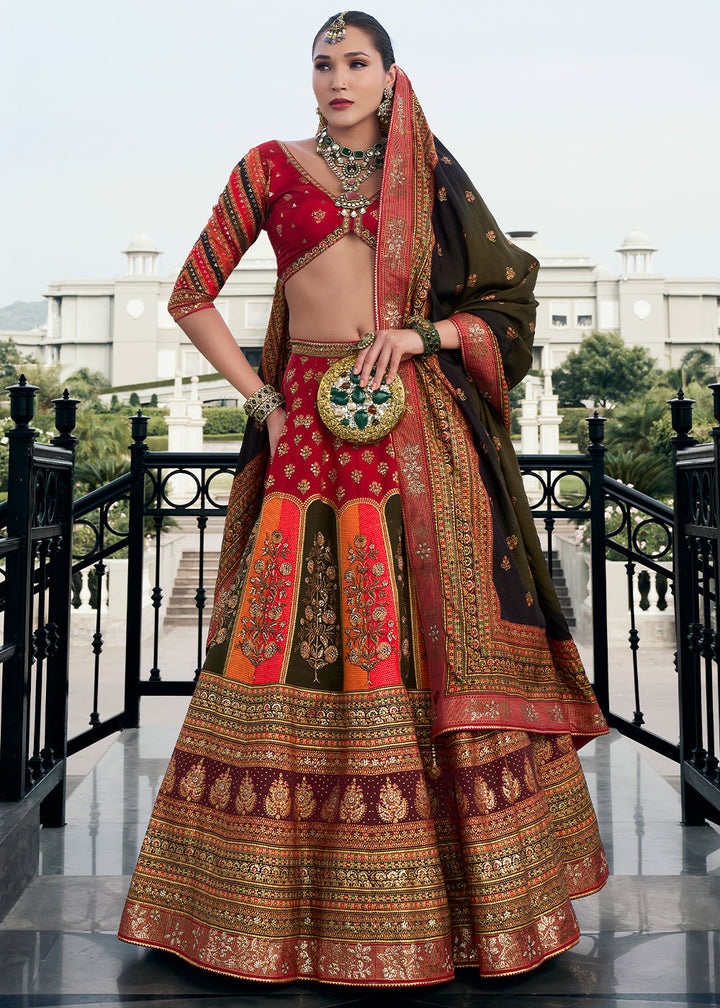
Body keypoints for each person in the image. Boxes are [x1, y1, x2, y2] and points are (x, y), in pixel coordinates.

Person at [119, 10, 608, 986]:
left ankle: (457, 913)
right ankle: (257, 909)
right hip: (306, 435)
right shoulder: (267, 166)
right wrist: (264, 400)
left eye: (356, 62)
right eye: (323, 63)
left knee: (421, 648)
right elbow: (190, 294)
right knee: (286, 644)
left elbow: (504, 298)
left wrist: (424, 338)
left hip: (416, 441)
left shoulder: (427, 177)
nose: (337, 78)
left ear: (391, 76)